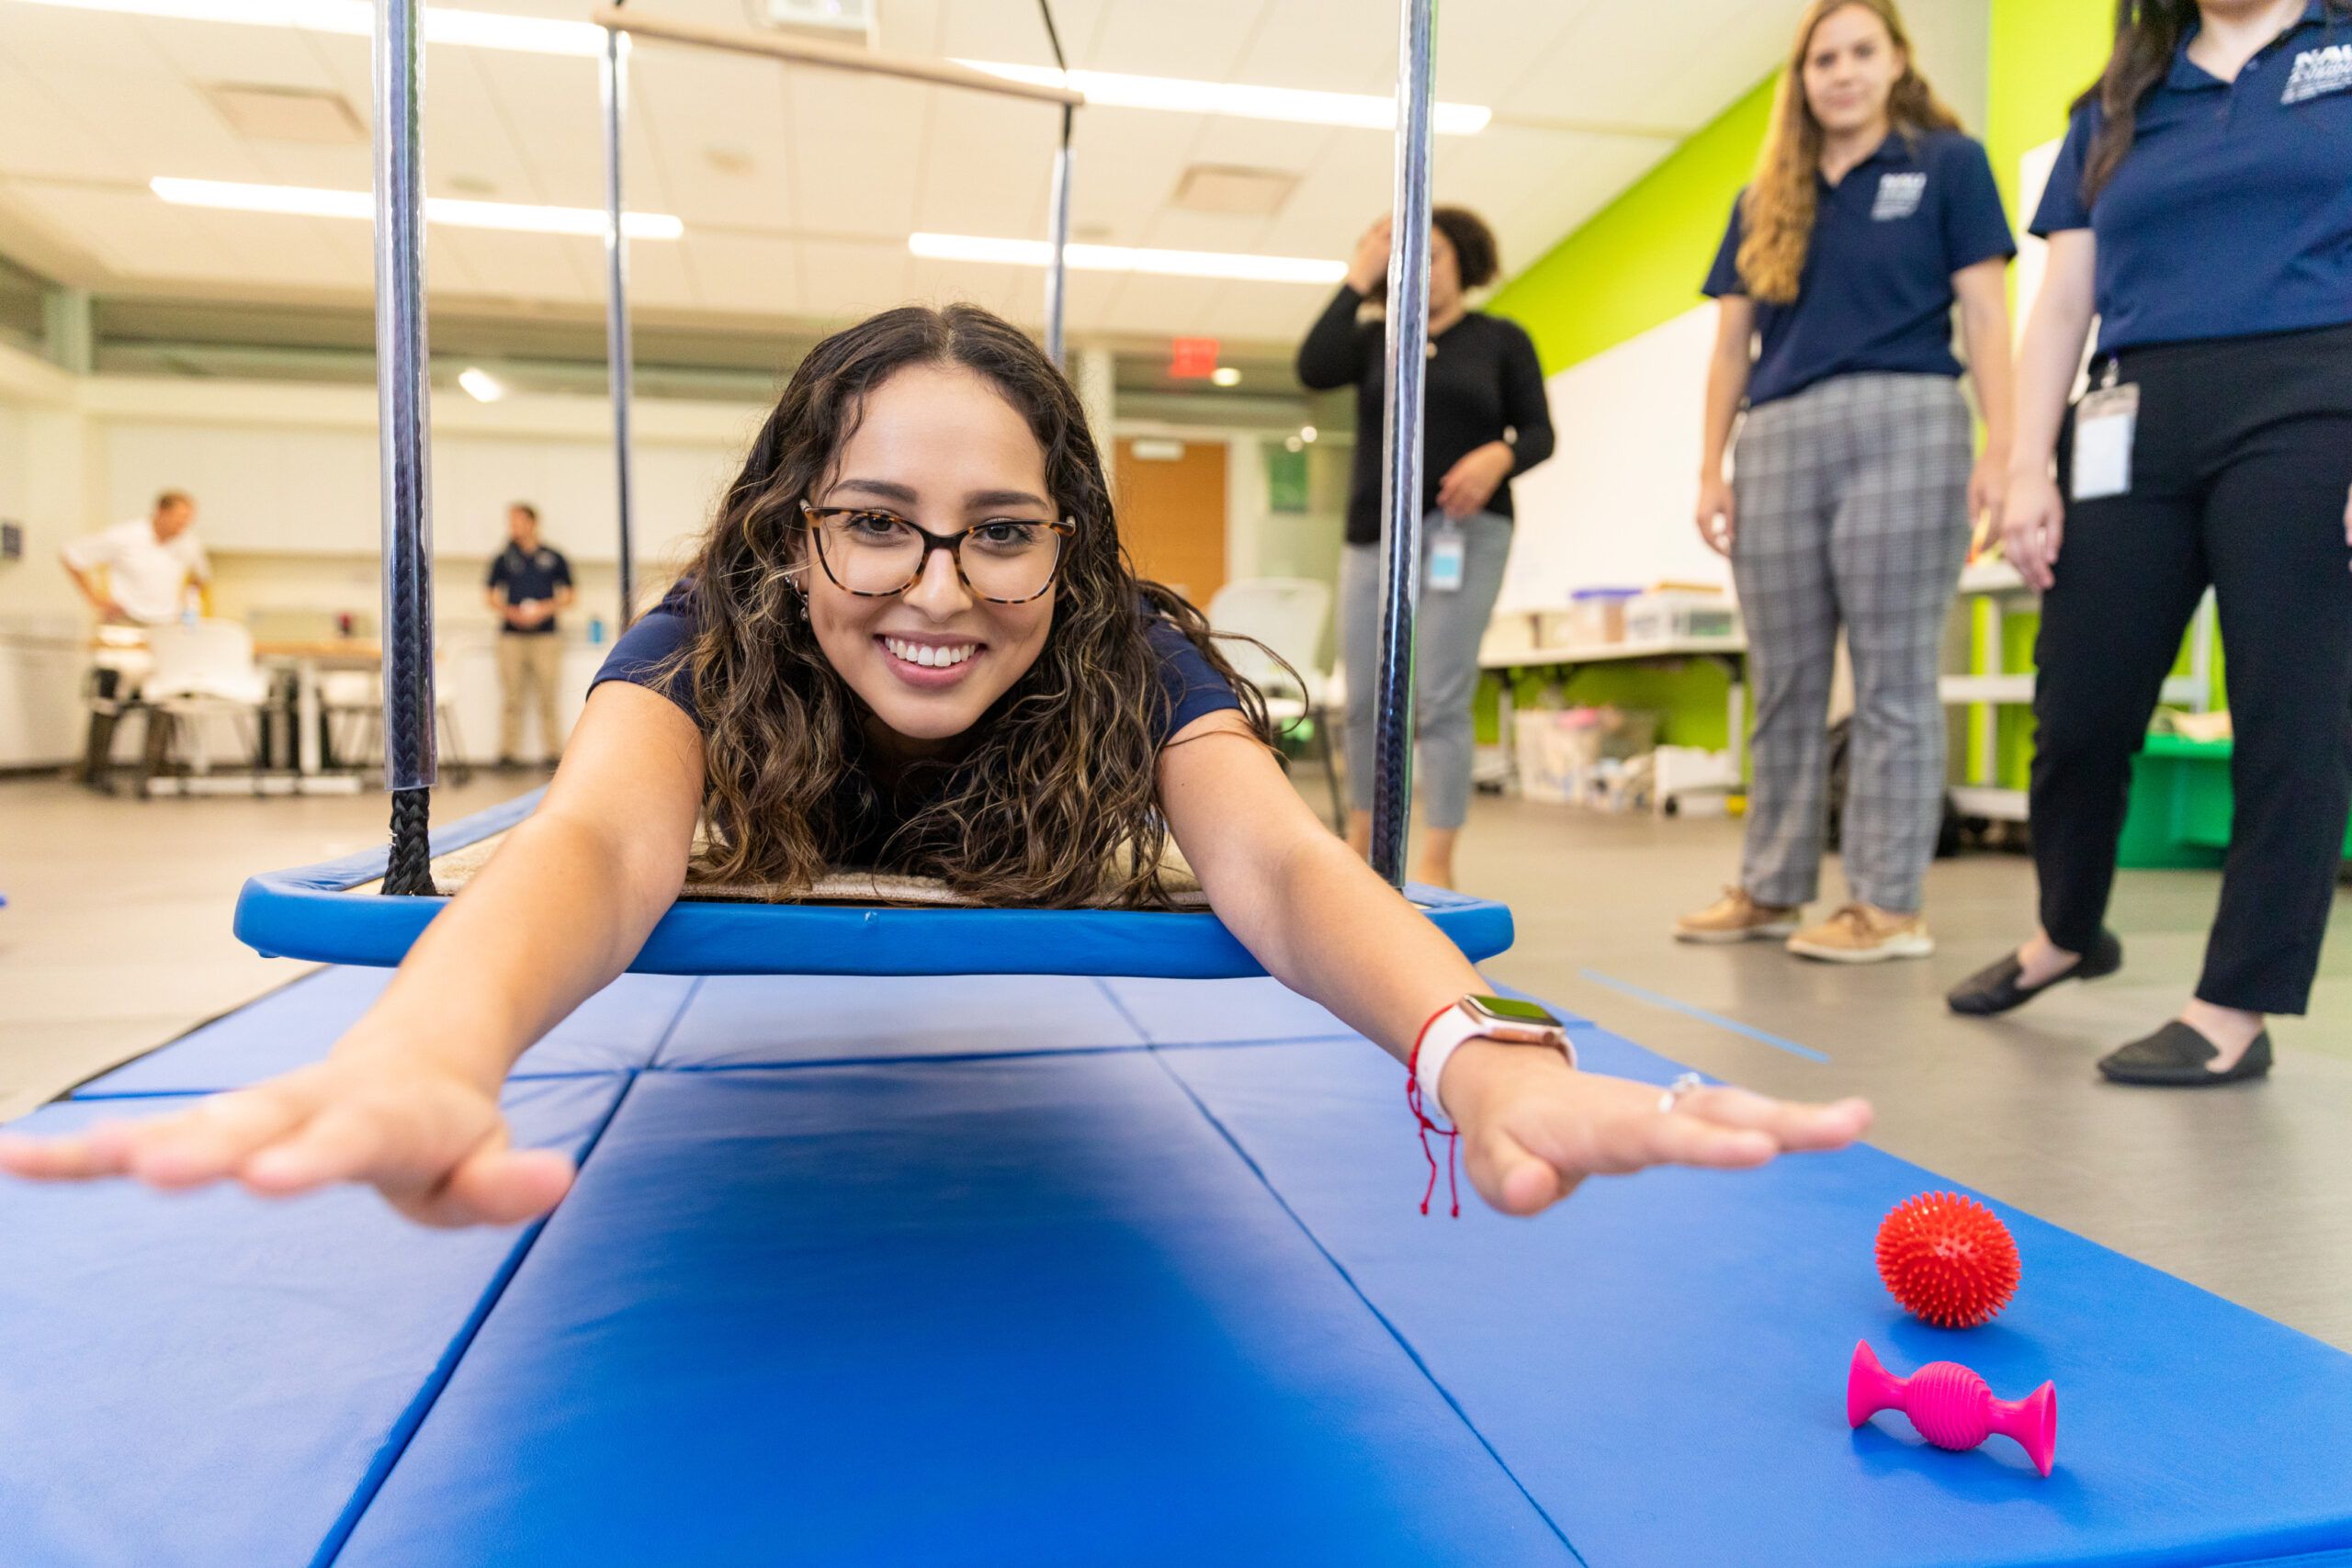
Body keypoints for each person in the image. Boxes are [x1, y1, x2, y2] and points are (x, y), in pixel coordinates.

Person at [0, 304, 1867, 1226]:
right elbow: (593, 848)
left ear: (1068, 541)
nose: (934, 591)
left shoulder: (1122, 647)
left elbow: (1286, 871)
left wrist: (1473, 1049)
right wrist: (425, 1048)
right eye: (874, 524)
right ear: (792, 529)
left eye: (1000, 534)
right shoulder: (709, 634)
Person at [1949, 0, 2352, 1086]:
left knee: (2289, 712)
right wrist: (2026, 461)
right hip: (2131, 408)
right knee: (2077, 708)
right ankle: (2067, 933)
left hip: (2316, 394)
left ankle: (2235, 1006)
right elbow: (2062, 298)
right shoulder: (2118, 99)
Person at [1677, 0, 2015, 964]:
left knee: (1891, 677)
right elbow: (1729, 347)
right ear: (1802, 77)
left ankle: (1885, 904)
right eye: (1823, 56)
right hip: (1777, 435)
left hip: (1907, 420)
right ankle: (1772, 888)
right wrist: (1711, 465)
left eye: (1861, 50)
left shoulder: (1946, 164)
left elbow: (1986, 318)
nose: (1841, 71)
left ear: (1896, 60)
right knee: (1783, 680)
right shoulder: (1762, 199)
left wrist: (2004, 449)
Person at [1297, 206, 1555, 891]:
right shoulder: (1377, 338)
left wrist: (1497, 455)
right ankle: (1358, 842)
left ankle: (1436, 855)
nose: (1424, 266)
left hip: (1464, 533)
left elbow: (1538, 430)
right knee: (1362, 700)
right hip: (1372, 535)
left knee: (1438, 698)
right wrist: (1359, 278)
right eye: (1409, 254)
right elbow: (1313, 366)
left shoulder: (1500, 339)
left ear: (1465, 261)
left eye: (1435, 252)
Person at [59, 490, 211, 786]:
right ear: (160, 512)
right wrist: (95, 599)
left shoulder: (188, 544)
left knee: (165, 694)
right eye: (179, 519)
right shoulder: (124, 536)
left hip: (164, 626)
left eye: (188, 521)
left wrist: (185, 600)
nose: (183, 526)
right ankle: (94, 768)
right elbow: (71, 555)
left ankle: (154, 767)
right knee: (110, 694)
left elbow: (201, 577)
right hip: (125, 623)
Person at [485, 502, 575, 768]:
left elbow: (570, 595)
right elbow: (490, 595)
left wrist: (544, 610)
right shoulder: (503, 558)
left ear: (533, 523)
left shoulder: (553, 557)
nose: (513, 527)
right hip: (511, 637)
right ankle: (507, 754)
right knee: (512, 696)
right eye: (510, 522)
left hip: (546, 637)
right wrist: (510, 612)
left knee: (548, 694)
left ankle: (553, 753)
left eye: (517, 521)